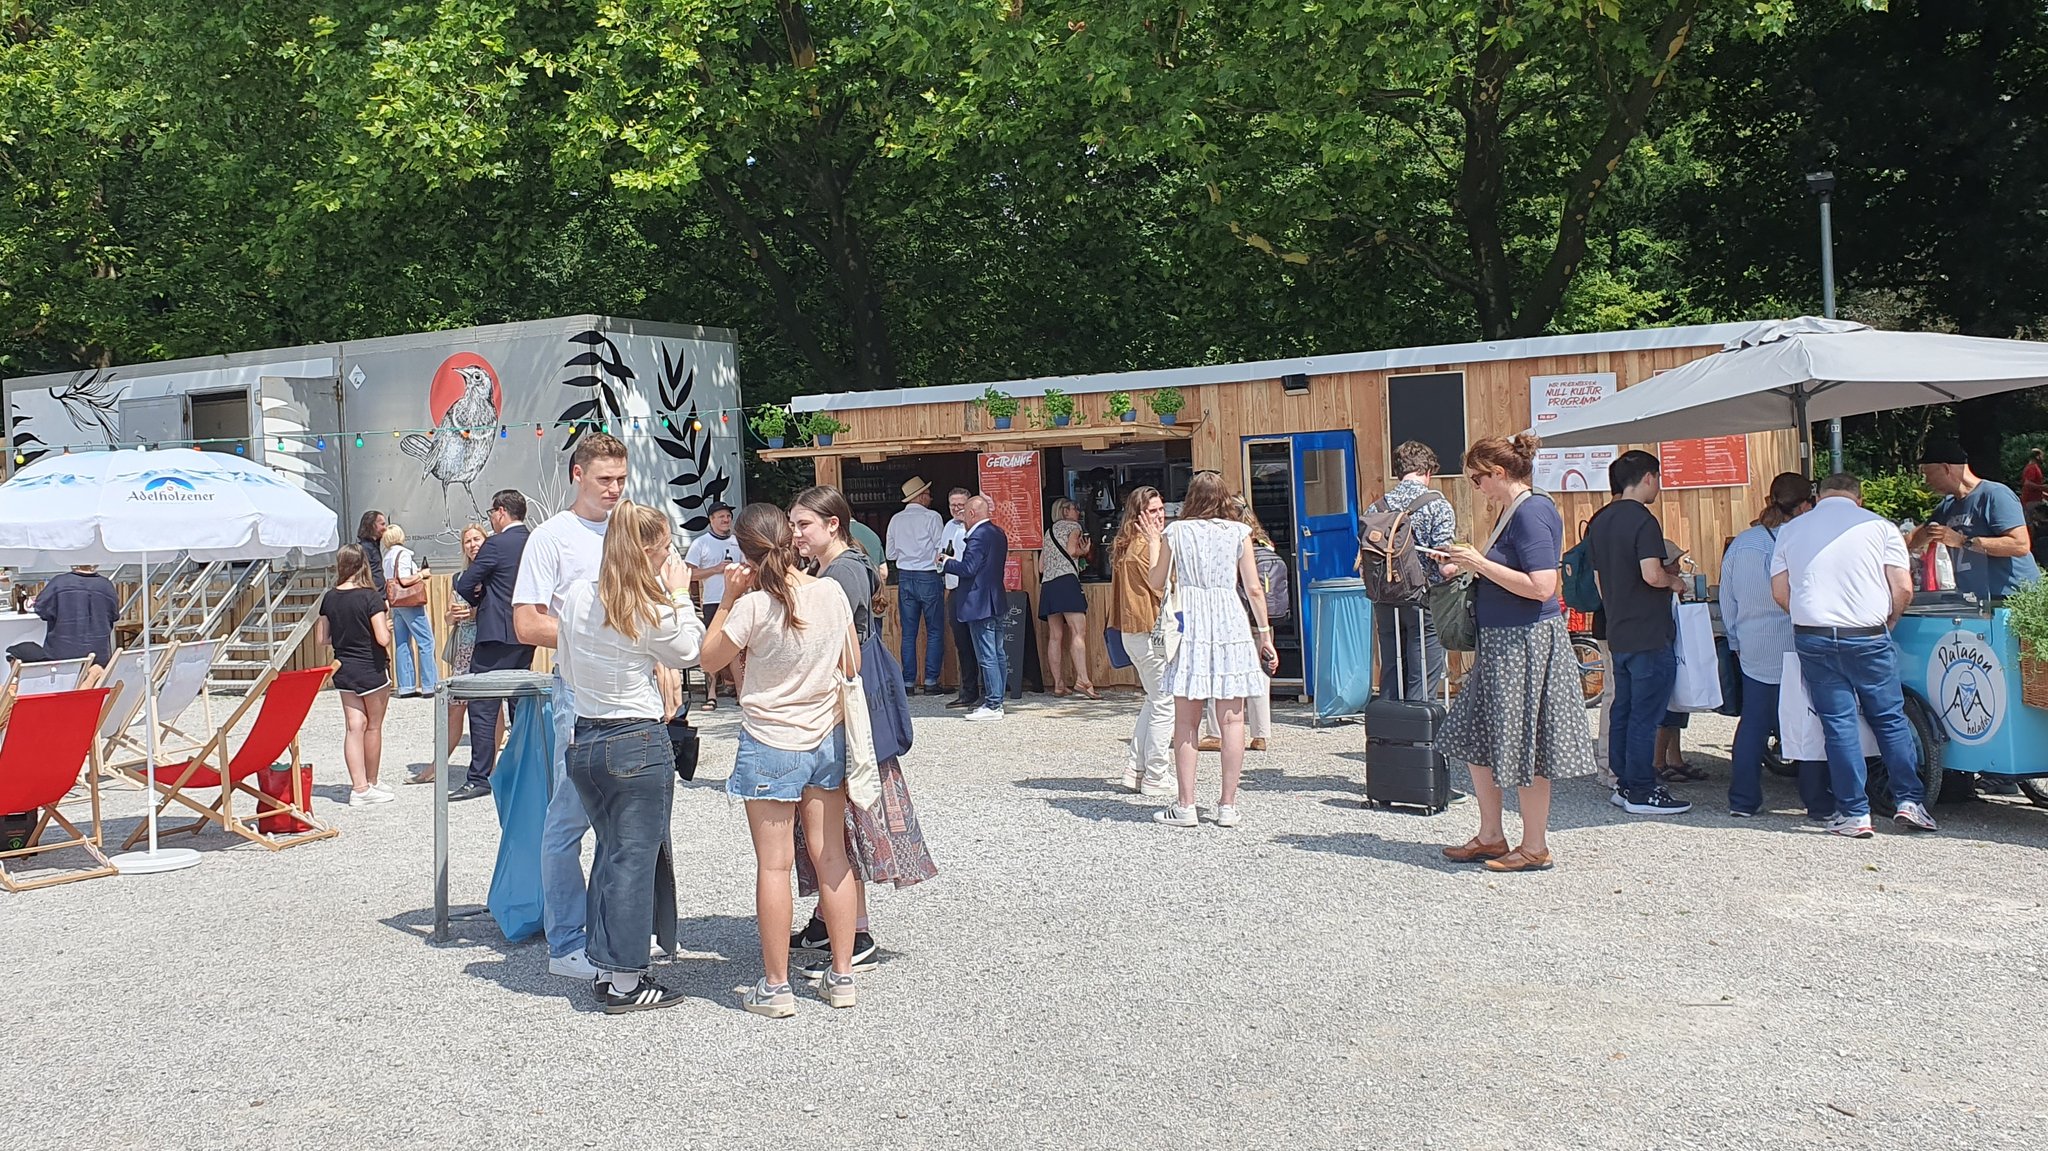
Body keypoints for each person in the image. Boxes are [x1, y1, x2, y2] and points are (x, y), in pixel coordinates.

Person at [699, 503, 863, 1017]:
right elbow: (851, 660)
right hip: (826, 736)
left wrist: (726, 599)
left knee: (774, 864)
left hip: (771, 738)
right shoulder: (831, 591)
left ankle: (776, 986)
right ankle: (841, 976)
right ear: (790, 540)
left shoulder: (752, 606)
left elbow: (707, 659)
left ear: (744, 554)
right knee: (831, 855)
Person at [554, 500, 706, 1013]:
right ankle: (624, 980)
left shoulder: (578, 594)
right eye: (665, 548)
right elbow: (690, 652)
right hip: (635, 739)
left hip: (588, 736)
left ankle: (605, 962)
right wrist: (681, 592)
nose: (670, 556)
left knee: (609, 855)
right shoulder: (648, 603)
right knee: (635, 861)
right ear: (647, 550)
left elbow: (569, 670)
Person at [787, 486, 938, 972]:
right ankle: (824, 917)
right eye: (792, 525)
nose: (795, 534)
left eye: (803, 525)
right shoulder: (835, 567)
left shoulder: (845, 570)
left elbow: (826, 635)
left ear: (833, 524)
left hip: (848, 711)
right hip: (843, 707)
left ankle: (855, 931)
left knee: (842, 820)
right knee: (828, 819)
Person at [1436, 435, 1598, 872]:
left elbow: (1543, 586)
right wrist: (1465, 564)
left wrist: (1480, 564)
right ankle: (1492, 835)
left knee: (1527, 746)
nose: (1476, 487)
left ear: (1499, 473)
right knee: (1476, 736)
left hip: (1524, 642)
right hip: (1504, 641)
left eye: (1476, 478)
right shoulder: (1516, 511)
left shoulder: (1532, 512)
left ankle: (1534, 846)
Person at [514, 432, 629, 981]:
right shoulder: (550, 538)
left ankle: (617, 933)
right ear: (576, 475)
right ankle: (565, 943)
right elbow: (528, 621)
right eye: (605, 479)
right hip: (577, 693)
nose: (614, 490)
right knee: (570, 818)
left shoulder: (630, 529)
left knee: (626, 821)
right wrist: (599, 636)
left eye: (621, 480)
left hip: (633, 693)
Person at [1772, 473, 1938, 837]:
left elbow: (1780, 592)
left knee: (1838, 722)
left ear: (1818, 496)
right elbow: (1903, 587)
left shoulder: (1792, 529)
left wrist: (1809, 615)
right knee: (1889, 719)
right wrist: (1889, 619)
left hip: (1814, 637)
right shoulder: (1880, 527)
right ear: (1858, 498)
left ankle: (1854, 813)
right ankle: (1909, 801)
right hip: (1867, 635)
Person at [1147, 471, 1280, 828]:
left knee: (1186, 721)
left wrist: (1153, 543)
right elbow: (1253, 588)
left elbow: (1156, 583)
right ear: (1223, 498)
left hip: (1191, 623)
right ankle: (1227, 806)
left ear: (1191, 498)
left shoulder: (1176, 532)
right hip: (1230, 623)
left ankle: (1186, 805)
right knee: (1233, 718)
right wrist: (1265, 634)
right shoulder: (1239, 533)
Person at [1582, 450, 1691, 816]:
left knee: (1623, 709)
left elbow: (1598, 581)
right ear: (1648, 477)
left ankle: (1624, 783)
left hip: (1618, 628)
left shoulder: (1600, 521)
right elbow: (1652, 574)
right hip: (1648, 630)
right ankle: (1643, 789)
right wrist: (1675, 582)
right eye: (1657, 479)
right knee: (1646, 713)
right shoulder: (1643, 521)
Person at [1719, 473, 1831, 820]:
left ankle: (1743, 799)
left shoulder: (1743, 542)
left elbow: (1727, 597)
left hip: (1753, 644)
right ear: (1803, 506)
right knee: (1806, 721)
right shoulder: (1803, 540)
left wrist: (1735, 639)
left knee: (1753, 721)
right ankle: (1815, 800)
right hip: (1795, 641)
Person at [449, 490, 535, 800]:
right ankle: (527, 770)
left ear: (500, 512)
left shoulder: (496, 543)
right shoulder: (535, 539)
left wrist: (480, 598)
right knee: (520, 704)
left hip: (495, 631)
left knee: (483, 706)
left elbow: (464, 580)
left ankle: (480, 776)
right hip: (527, 630)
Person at [1369, 439, 1456, 700]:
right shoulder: (1437, 505)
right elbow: (1444, 564)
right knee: (1423, 666)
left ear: (1399, 472)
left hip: (1384, 596)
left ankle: (1390, 732)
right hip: (1423, 596)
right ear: (1428, 471)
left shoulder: (1377, 507)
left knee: (1392, 667)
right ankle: (1419, 733)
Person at [1910, 442, 2040, 601]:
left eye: (1927, 473)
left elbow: (2020, 545)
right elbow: (1912, 540)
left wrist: (1963, 541)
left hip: (2012, 599)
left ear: (1946, 468)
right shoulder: (1947, 506)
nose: (1926, 481)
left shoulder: (1995, 495)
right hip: (1974, 600)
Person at [316, 545, 394, 807]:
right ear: (363, 564)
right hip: (370, 667)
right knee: (373, 725)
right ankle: (371, 782)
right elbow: (382, 638)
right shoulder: (370, 597)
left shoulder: (329, 597)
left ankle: (358, 787)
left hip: (344, 667)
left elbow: (322, 639)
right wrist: (389, 628)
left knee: (353, 727)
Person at [1109, 486, 1172, 795]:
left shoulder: (1126, 544)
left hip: (1135, 633)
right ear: (1138, 515)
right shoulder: (1145, 546)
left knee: (1153, 699)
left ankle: (1136, 769)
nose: (1159, 516)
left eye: (1161, 509)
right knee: (1165, 703)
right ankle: (1156, 774)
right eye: (1152, 511)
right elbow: (1161, 588)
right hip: (1151, 632)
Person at [1201, 498, 1276, 752]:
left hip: (1233, 618)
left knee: (1220, 672)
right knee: (1260, 675)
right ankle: (1261, 734)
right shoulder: (1265, 543)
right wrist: (1266, 628)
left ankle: (1215, 732)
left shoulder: (1227, 542)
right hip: (1262, 617)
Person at [420, 522, 488, 784]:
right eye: (467, 541)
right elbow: (449, 617)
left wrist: (474, 613)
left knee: (490, 709)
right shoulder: (459, 578)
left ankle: (489, 766)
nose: (472, 545)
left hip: (486, 645)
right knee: (454, 708)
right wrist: (453, 615)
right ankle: (438, 764)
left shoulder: (495, 574)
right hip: (464, 649)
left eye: (476, 539)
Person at [938, 494, 1010, 721]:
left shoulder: (977, 536)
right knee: (998, 653)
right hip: (996, 598)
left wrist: (945, 562)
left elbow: (969, 568)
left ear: (972, 513)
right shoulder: (998, 532)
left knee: (987, 654)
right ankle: (997, 700)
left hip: (979, 602)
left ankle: (993, 704)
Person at [885, 476, 947, 694]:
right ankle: (931, 681)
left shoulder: (895, 520)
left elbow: (890, 553)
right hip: (928, 576)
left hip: (905, 577)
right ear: (920, 496)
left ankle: (908, 682)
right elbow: (941, 550)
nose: (930, 497)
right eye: (928, 494)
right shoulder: (933, 517)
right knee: (935, 631)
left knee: (908, 633)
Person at [684, 501, 744, 710]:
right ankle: (711, 694)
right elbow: (688, 573)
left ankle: (741, 691)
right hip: (712, 600)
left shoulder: (739, 542)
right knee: (712, 645)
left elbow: (749, 567)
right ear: (711, 520)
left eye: (728, 516)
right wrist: (714, 569)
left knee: (736, 646)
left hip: (737, 599)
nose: (726, 520)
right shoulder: (701, 543)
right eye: (721, 516)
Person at [1039, 497, 1098, 699]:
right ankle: (1083, 680)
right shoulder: (1074, 527)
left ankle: (1058, 684)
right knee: (1078, 631)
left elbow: (1040, 567)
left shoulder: (1048, 533)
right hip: (1066, 582)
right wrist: (1085, 551)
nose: (1078, 511)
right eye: (1074, 508)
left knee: (1055, 636)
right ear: (1065, 511)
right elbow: (1073, 550)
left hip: (1048, 584)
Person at [379, 523, 439, 699]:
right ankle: (430, 685)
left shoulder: (387, 556)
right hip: (410, 603)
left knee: (402, 643)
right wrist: (421, 574)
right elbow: (405, 580)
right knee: (426, 641)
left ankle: (406, 685)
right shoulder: (403, 554)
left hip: (396, 602)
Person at [939, 487, 980, 709]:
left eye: (960, 505)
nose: (956, 509)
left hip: (970, 590)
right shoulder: (948, 526)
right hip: (953, 589)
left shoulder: (975, 529)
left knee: (978, 643)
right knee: (962, 644)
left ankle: (983, 692)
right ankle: (968, 691)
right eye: (952, 504)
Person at [33, 563, 118, 666]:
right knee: (94, 681)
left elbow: (41, 610)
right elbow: (114, 616)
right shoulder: (106, 585)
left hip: (62, 653)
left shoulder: (59, 583)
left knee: (64, 681)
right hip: (98, 653)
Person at [356, 510, 388, 596]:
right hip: (373, 596)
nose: (385, 528)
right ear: (371, 526)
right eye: (382, 524)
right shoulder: (363, 549)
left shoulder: (375, 546)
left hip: (379, 595)